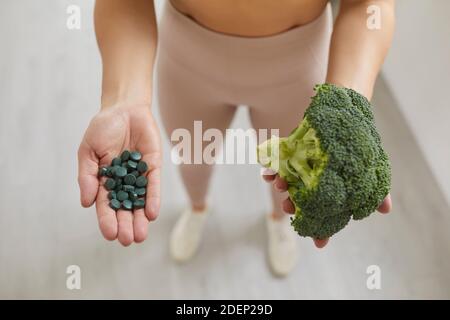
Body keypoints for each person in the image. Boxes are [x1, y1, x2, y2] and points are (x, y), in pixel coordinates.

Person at [78, 0, 394, 276]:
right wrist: (124, 98)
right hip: (188, 59)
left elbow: (368, 3)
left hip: (299, 66)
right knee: (193, 158)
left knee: (288, 178)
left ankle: (277, 221)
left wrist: (348, 113)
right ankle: (197, 208)